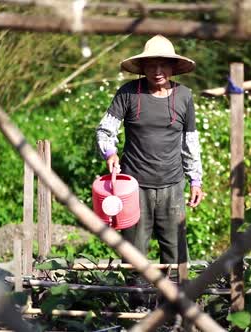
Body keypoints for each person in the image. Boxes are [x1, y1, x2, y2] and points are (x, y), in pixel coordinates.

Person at [96, 35, 203, 267]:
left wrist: (195, 180)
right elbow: (105, 130)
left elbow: (190, 141)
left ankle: (175, 299)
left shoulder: (184, 96)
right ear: (142, 67)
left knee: (175, 253)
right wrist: (110, 153)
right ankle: (137, 302)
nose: (157, 70)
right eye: (151, 65)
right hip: (133, 187)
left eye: (163, 64)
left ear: (173, 67)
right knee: (134, 252)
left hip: (172, 186)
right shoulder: (128, 93)